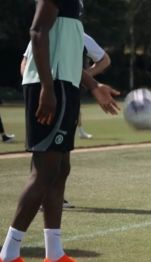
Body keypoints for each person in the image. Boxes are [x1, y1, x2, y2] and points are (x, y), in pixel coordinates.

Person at [0, 0, 120, 261]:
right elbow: (37, 33)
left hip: (64, 84)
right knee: (44, 171)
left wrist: (93, 85)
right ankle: (9, 253)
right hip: (51, 87)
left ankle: (54, 251)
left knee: (59, 169)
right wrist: (48, 90)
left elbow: (63, 46)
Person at [21, 33, 111, 210]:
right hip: (44, 96)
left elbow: (104, 60)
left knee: (62, 155)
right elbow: (25, 61)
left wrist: (85, 76)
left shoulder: (80, 35)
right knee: (42, 152)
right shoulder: (42, 32)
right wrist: (34, 81)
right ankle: (40, 197)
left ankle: (54, 197)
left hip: (68, 96)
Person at [22, 33, 112, 140]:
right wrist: (37, 85)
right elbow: (25, 63)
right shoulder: (41, 30)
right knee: (40, 144)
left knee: (59, 147)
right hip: (38, 93)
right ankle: (81, 131)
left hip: (66, 92)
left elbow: (104, 60)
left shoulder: (78, 34)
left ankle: (81, 130)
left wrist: (84, 78)